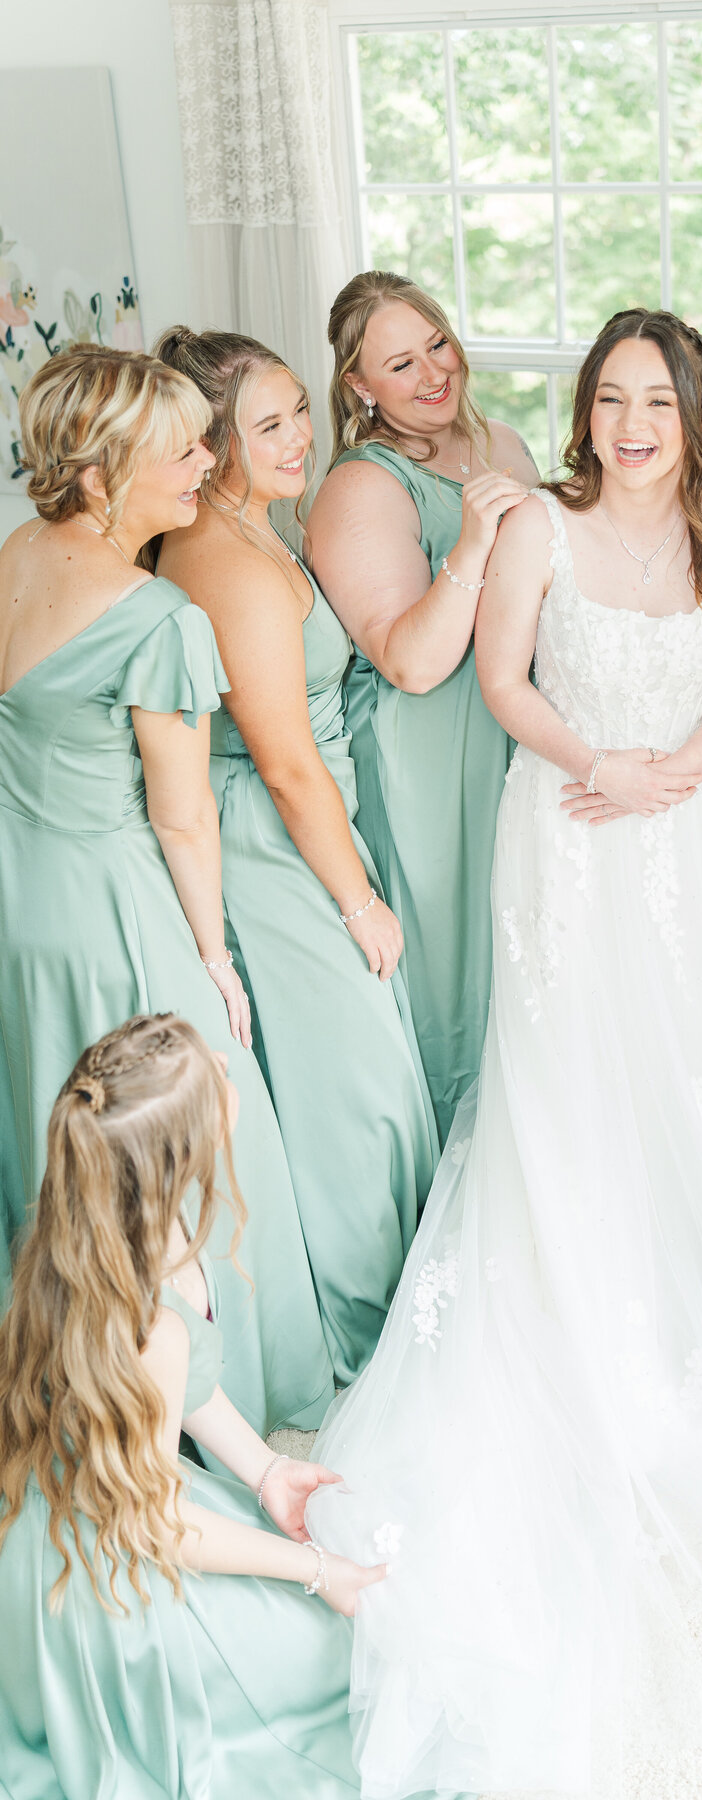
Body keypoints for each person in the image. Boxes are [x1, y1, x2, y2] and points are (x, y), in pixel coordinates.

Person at [306, 308, 702, 1798]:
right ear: (586, 413)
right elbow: (499, 686)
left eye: (658, 399)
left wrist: (681, 771)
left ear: (695, 412)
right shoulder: (538, 528)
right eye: (611, 399)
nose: (634, 422)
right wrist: (604, 767)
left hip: (691, 823)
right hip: (568, 830)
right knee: (572, 1081)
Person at [0, 346, 332, 1434]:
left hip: (21, 902)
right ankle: (210, 1400)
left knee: (51, 1134)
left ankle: (70, 1383)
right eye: (180, 447)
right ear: (99, 474)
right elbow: (184, 817)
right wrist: (215, 956)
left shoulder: (17, 554)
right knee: (187, 1140)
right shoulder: (157, 620)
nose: (206, 460)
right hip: (111, 909)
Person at [0, 1015, 385, 1798]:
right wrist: (317, 1571)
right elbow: (161, 1526)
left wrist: (268, 1464)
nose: (224, 1062)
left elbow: (180, 1395)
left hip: (74, 1512)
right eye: (213, 1073)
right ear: (182, 1163)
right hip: (111, 1577)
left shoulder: (89, 1223)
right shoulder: (151, 1330)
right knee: (339, 1665)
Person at [155, 328, 439, 1386]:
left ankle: (395, 1305)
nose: (300, 438)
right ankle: (366, 1338)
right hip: (275, 840)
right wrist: (361, 902)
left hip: (311, 823)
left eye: (299, 413)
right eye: (267, 425)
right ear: (210, 442)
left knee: (351, 1075)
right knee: (352, 1087)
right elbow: (283, 764)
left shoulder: (263, 530)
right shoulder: (227, 563)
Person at [306, 272, 539, 1141]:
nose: (434, 372)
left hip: (514, 732)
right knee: (452, 969)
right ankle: (453, 1173)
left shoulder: (503, 446)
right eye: (400, 364)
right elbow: (408, 661)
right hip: (428, 757)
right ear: (361, 388)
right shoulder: (361, 488)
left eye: (437, 343)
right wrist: (476, 541)